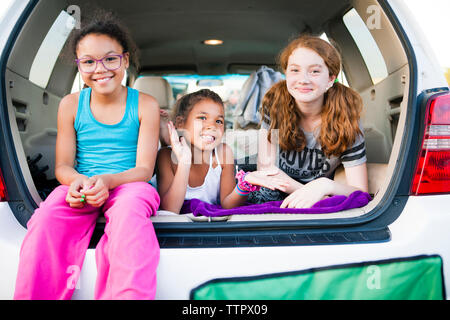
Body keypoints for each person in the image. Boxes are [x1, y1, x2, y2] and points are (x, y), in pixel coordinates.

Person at [14, 13, 161, 300]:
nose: (100, 69)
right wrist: (79, 182)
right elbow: (63, 166)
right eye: (89, 61)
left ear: (125, 61)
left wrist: (107, 180)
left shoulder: (145, 104)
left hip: (129, 184)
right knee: (46, 218)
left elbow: (144, 169)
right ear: (79, 66)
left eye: (110, 59)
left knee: (129, 215)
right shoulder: (70, 105)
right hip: (81, 184)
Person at [250, 34, 368, 208]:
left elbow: (360, 192)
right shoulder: (274, 105)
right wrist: (304, 190)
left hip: (317, 194)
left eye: (314, 71)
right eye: (295, 70)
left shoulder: (347, 120)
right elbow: (266, 172)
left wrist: (324, 185)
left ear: (330, 78)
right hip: (276, 191)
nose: (303, 80)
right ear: (286, 74)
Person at [156, 89, 288, 214]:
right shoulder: (165, 156)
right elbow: (170, 210)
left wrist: (245, 184)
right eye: (202, 118)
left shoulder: (223, 153)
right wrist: (184, 163)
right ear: (180, 123)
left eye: (219, 121)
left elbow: (228, 204)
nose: (212, 126)